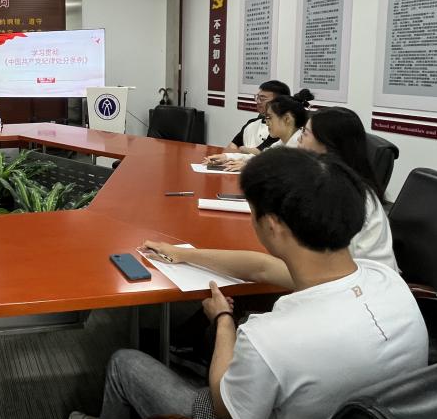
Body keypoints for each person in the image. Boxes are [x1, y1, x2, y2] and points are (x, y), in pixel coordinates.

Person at [68, 150, 428, 419]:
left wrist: (223, 321)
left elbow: (223, 406)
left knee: (124, 363)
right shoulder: (387, 281)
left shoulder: (269, 337)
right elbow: (263, 268)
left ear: (271, 225)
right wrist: (185, 254)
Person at [146, 107, 398, 291]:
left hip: (357, 292)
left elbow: (264, 268)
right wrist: (184, 255)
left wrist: (186, 255)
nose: (298, 139)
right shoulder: (327, 184)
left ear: (327, 146)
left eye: (305, 134)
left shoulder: (345, 198)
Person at [208, 90, 313, 171]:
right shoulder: (281, 142)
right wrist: (226, 157)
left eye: (269, 117)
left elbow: (283, 169)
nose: (266, 123)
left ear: (287, 119)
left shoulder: (300, 145)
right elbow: (260, 158)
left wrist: (250, 167)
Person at [223, 81, 291, 153]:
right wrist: (242, 152)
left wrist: (242, 150)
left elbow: (262, 153)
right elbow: (228, 150)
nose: (258, 101)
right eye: (257, 97)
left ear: (279, 102)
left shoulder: (282, 128)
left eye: (262, 99)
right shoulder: (252, 123)